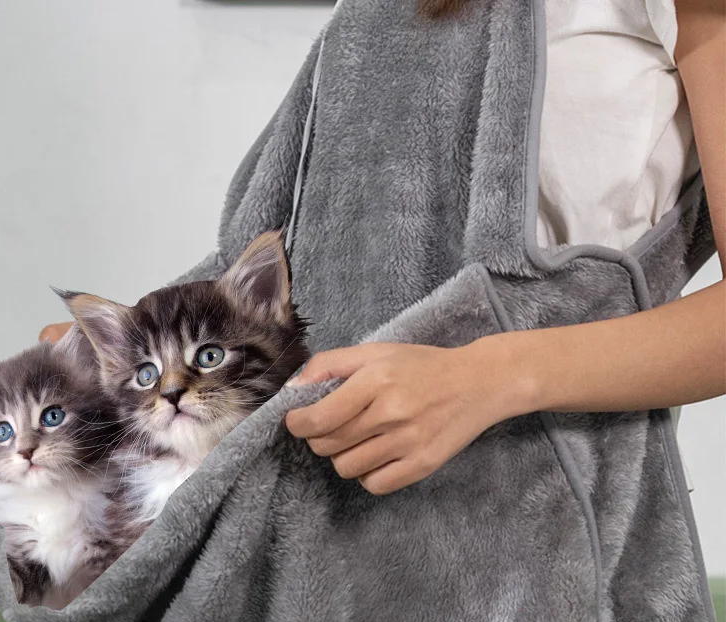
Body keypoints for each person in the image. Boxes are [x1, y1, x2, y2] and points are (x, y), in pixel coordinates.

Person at [40, 0, 725, 500]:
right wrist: (131, 353)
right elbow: (318, 258)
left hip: (549, 530)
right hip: (327, 527)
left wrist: (488, 377)